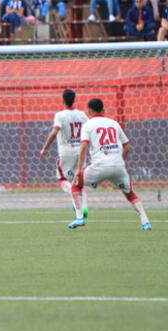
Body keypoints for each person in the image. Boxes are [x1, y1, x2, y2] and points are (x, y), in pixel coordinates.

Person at [67, 98, 151, 231]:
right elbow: (126, 146)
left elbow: (83, 148)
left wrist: (78, 169)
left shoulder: (88, 125)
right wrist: (120, 162)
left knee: (75, 184)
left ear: (89, 111)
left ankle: (79, 217)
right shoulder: (114, 123)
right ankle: (145, 222)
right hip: (118, 167)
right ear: (103, 109)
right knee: (130, 194)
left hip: (99, 166)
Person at [39, 89, 89, 218]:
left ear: (62, 100)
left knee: (62, 179)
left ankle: (74, 196)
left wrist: (44, 148)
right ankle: (84, 206)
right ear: (74, 99)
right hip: (81, 151)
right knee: (79, 179)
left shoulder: (60, 115)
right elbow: (90, 129)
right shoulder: (82, 115)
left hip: (66, 152)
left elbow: (54, 132)